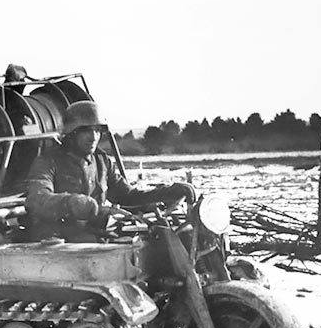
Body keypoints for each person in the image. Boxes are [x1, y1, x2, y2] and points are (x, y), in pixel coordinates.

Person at [25, 101, 196, 242]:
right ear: (72, 133)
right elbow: (36, 199)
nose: (93, 137)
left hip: (96, 234)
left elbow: (127, 195)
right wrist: (72, 203)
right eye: (86, 130)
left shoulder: (101, 161)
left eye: (97, 131)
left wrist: (167, 193)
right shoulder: (48, 161)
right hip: (58, 240)